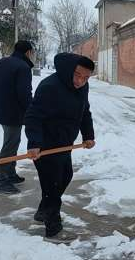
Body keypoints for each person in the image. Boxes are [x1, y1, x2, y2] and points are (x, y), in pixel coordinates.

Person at [24, 53, 96, 239]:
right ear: (68, 70)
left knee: (65, 176)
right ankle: (52, 225)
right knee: (52, 185)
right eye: (78, 75)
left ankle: (43, 210)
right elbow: (33, 116)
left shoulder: (82, 88)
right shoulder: (50, 87)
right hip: (45, 146)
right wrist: (34, 143)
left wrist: (88, 135)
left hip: (64, 145)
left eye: (86, 77)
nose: (81, 81)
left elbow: (84, 110)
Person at [0, 40, 35, 194]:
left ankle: (10, 174)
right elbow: (24, 94)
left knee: (13, 142)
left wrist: (2, 99)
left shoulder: (0, 63)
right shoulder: (23, 67)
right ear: (28, 52)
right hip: (14, 112)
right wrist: (32, 111)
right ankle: (2, 181)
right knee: (10, 144)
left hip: (2, 110)